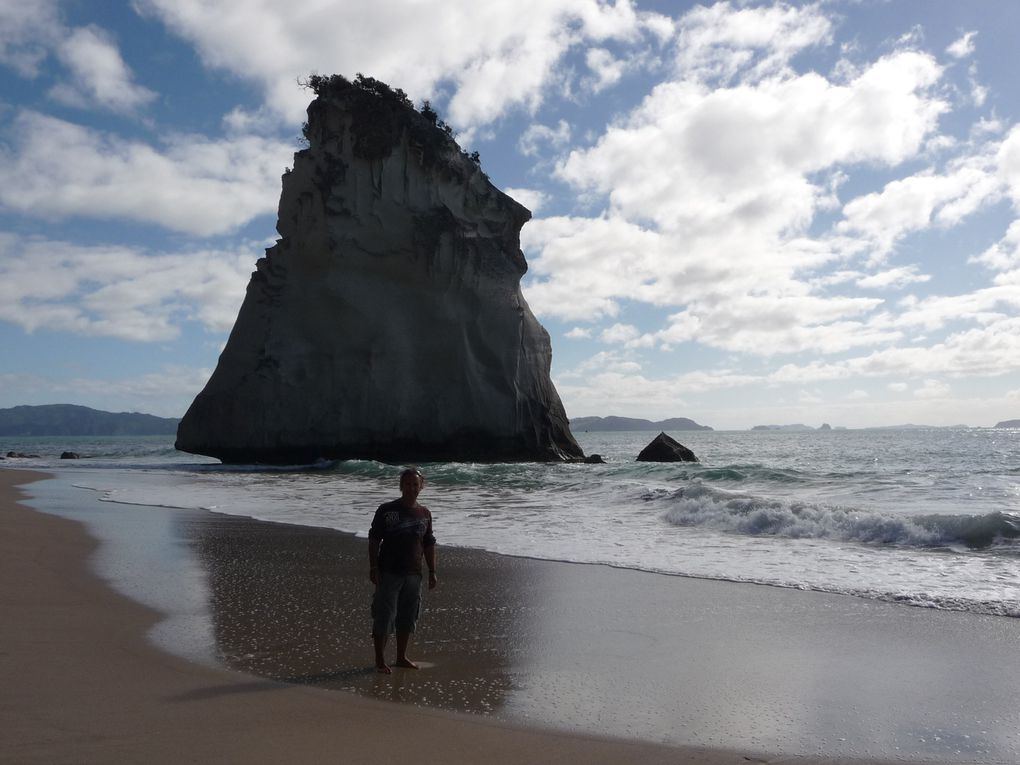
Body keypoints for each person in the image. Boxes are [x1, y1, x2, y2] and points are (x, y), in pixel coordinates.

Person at [368, 467, 437, 674]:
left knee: (408, 616)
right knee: (384, 615)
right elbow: (374, 539)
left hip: (414, 574)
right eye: (407, 484)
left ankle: (400, 657)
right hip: (389, 572)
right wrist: (373, 567)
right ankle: (380, 660)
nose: (411, 488)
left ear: (421, 486)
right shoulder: (387, 510)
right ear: (401, 486)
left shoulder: (424, 513)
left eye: (415, 484)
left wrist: (432, 570)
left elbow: (428, 543)